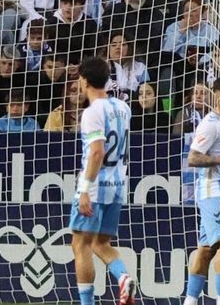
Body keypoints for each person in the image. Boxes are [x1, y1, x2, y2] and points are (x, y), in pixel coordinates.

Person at [69, 57, 137, 305]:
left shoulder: (91, 113)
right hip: (118, 185)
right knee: (101, 242)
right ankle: (123, 277)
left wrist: (84, 190)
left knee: (81, 245)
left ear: (84, 80)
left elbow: (97, 152)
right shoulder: (123, 108)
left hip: (96, 186)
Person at [183, 76, 220, 305]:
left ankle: (189, 301)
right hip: (213, 190)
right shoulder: (210, 123)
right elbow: (193, 158)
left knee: (206, 249)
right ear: (217, 96)